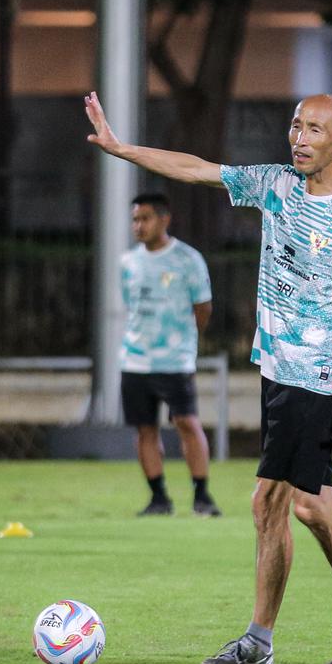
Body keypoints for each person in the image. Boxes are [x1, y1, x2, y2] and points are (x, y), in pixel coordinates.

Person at [85, 92, 332, 664]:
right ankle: (284, 638)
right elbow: (196, 168)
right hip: (278, 373)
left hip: (316, 376)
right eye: (295, 125)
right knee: (281, 505)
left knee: (297, 505)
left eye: (315, 129)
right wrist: (121, 149)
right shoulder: (275, 185)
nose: (300, 137)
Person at [120, 193, 220, 517]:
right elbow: (130, 307)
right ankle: (158, 498)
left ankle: (202, 496)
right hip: (135, 360)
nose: (139, 226)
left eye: (145, 218)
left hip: (174, 360)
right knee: (145, 429)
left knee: (187, 423)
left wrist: (187, 342)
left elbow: (203, 308)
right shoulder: (129, 263)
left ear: (164, 219)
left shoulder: (188, 259)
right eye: (135, 219)